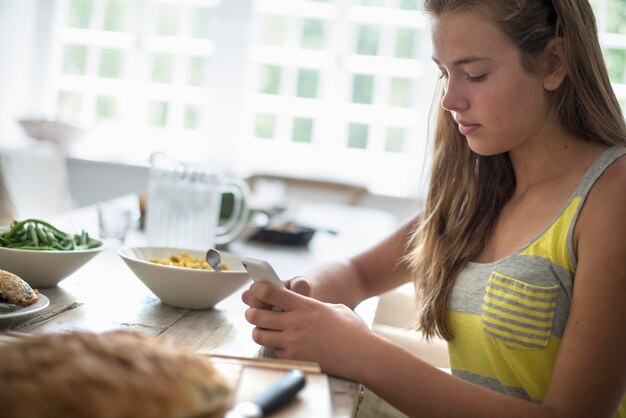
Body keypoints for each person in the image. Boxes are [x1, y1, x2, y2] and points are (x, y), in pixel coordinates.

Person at [242, 0, 626, 416]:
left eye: (474, 74)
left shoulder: (612, 197)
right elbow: (358, 273)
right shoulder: (480, 191)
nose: (450, 99)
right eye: (444, 74)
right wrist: (298, 297)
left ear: (554, 62)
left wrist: (360, 351)